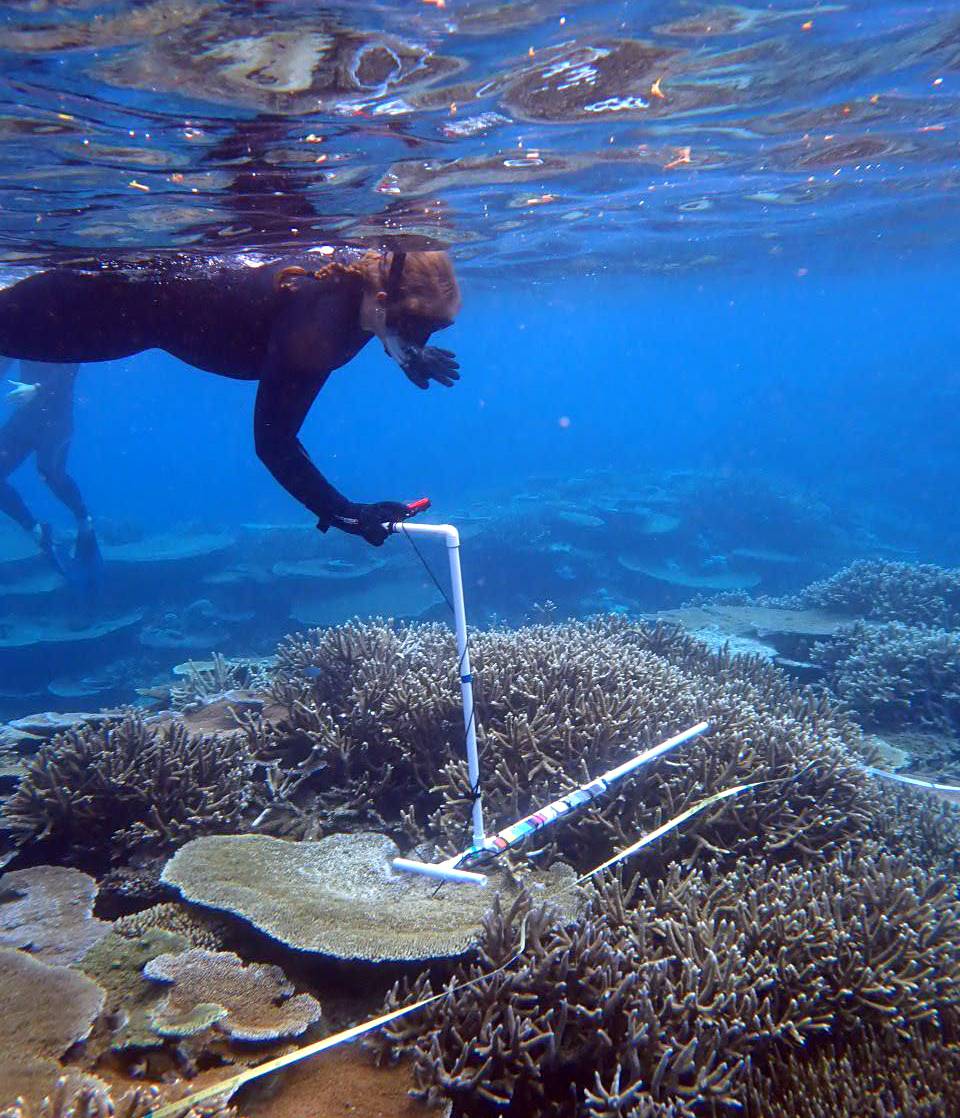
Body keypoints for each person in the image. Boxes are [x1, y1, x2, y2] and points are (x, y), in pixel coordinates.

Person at [0, 247, 461, 546]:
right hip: (109, 304)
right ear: (382, 299)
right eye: (418, 326)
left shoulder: (362, 289)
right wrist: (346, 514)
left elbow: (391, 330)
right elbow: (273, 442)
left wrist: (410, 353)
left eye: (433, 330)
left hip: (131, 293)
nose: (421, 338)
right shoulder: (317, 329)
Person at [0, 358, 98, 572]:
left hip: (57, 420)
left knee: (50, 472)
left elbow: (69, 368)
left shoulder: (65, 331)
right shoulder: (18, 332)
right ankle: (37, 532)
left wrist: (37, 388)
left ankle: (84, 521)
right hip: (26, 419)